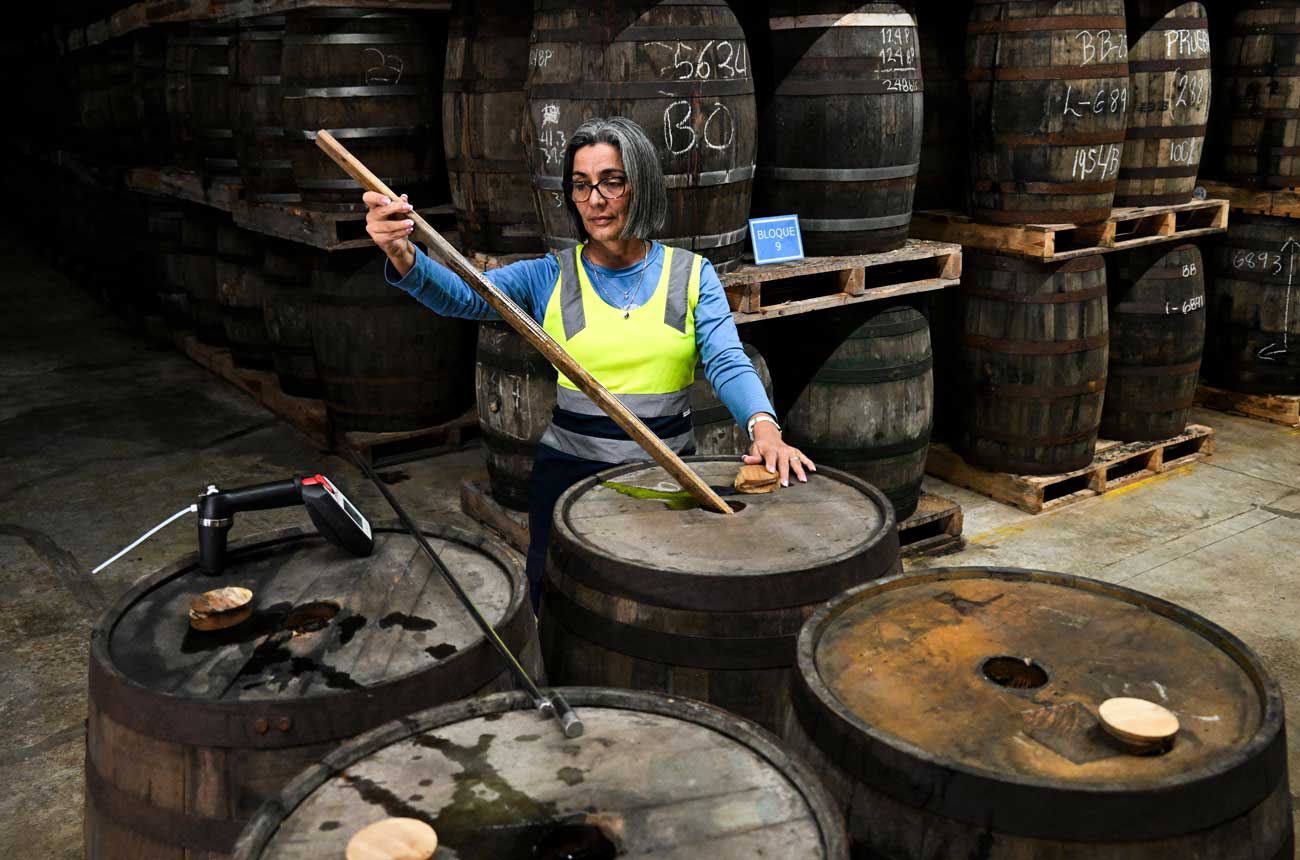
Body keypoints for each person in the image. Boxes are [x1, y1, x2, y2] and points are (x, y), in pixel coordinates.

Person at [365, 116, 813, 609]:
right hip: (569, 482)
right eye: (581, 186)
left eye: (611, 182)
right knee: (565, 609)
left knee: (660, 609)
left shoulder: (690, 274)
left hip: (668, 477)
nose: (595, 200)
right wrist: (404, 254)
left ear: (640, 185)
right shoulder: (549, 275)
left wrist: (763, 427)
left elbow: (727, 359)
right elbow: (464, 296)